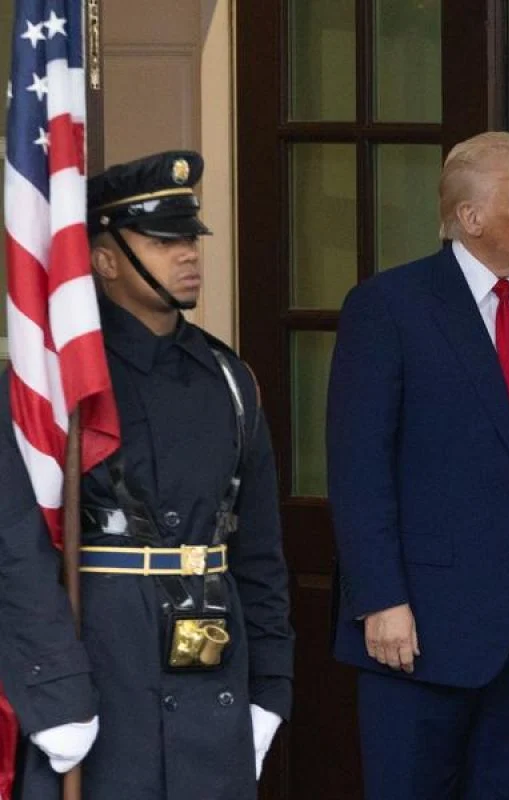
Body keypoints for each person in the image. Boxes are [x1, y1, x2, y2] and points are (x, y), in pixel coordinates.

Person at [0, 151, 294, 799]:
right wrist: (53, 689)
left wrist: (271, 687)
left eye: (190, 239)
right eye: (163, 241)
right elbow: (15, 547)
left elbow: (260, 551)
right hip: (103, 666)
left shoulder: (228, 378)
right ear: (105, 260)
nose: (188, 254)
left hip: (213, 667)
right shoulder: (56, 383)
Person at [326, 131, 509, 799]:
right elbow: (359, 467)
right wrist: (380, 599)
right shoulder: (389, 307)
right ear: (471, 216)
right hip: (418, 633)